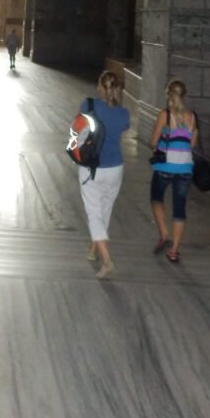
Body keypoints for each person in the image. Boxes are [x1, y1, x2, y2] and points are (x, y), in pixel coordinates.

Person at [79, 70, 130, 279]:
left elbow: (79, 129)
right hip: (115, 167)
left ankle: (107, 261)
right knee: (105, 210)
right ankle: (93, 250)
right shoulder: (124, 114)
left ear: (101, 87)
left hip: (91, 166)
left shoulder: (88, 105)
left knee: (94, 213)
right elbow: (121, 132)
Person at [149, 79, 198, 263]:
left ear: (168, 95)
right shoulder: (192, 117)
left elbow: (154, 141)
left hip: (165, 166)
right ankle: (174, 251)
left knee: (156, 198)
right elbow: (192, 144)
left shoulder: (165, 115)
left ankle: (164, 234)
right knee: (179, 207)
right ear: (184, 95)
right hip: (185, 167)